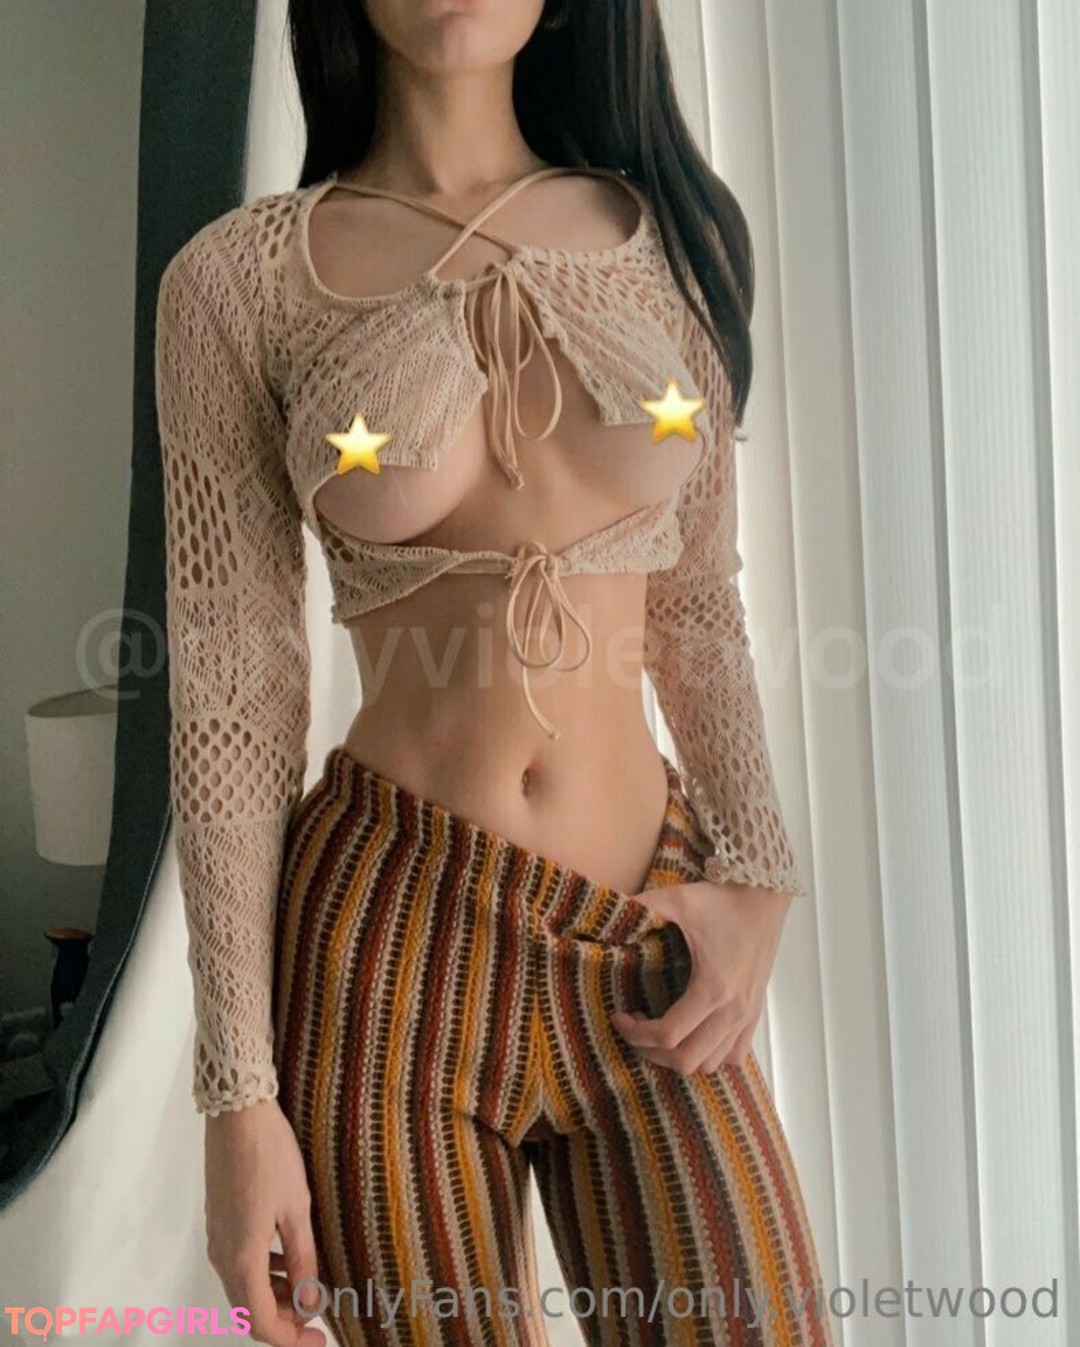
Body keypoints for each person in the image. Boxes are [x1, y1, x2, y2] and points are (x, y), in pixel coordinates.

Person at [154, 1, 831, 1343]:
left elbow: (698, 603)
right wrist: (239, 1097)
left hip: (639, 932)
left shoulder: (672, 238)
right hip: (384, 950)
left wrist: (759, 874)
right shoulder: (237, 283)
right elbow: (233, 696)